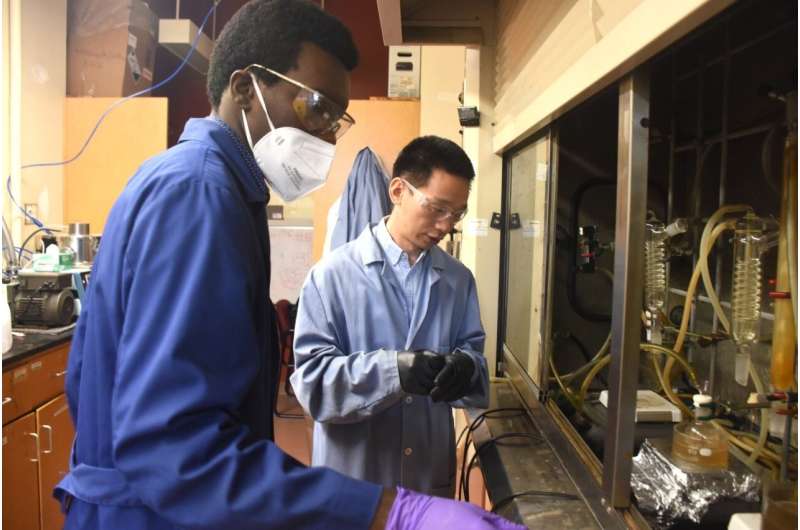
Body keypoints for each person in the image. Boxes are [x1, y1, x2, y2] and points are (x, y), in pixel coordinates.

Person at [54, 1, 524, 529]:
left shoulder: (215, 187)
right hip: (151, 513)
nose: (326, 137)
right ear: (244, 87)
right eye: (315, 107)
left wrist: (462, 370)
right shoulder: (198, 194)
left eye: (336, 120)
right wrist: (390, 510)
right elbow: (175, 446)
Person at [291, 136, 489, 497]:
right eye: (437, 208)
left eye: (457, 214)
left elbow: (472, 354)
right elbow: (313, 385)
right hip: (355, 477)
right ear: (398, 190)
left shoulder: (458, 281)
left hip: (427, 476)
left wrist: (466, 367)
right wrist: (393, 371)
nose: (446, 225)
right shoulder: (331, 277)